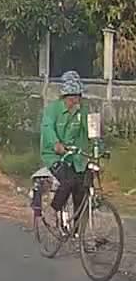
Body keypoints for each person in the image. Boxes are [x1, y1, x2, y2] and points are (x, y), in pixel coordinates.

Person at [40, 71, 92, 232]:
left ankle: (78, 233)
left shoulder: (82, 111)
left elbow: (90, 131)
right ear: (65, 97)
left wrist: (97, 147)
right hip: (54, 156)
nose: (75, 102)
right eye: (72, 98)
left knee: (81, 188)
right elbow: (47, 128)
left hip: (75, 156)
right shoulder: (52, 110)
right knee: (68, 180)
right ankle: (52, 210)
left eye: (78, 97)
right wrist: (56, 143)